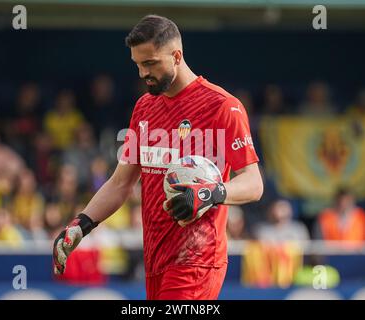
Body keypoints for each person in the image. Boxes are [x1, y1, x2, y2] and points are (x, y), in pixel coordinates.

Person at [53, 15, 263, 300]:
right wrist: (81, 224)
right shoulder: (144, 107)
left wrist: (209, 194)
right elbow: (120, 183)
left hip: (197, 259)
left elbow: (253, 184)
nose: (142, 73)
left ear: (176, 56)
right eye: (138, 65)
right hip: (155, 259)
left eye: (150, 63)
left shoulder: (223, 107)